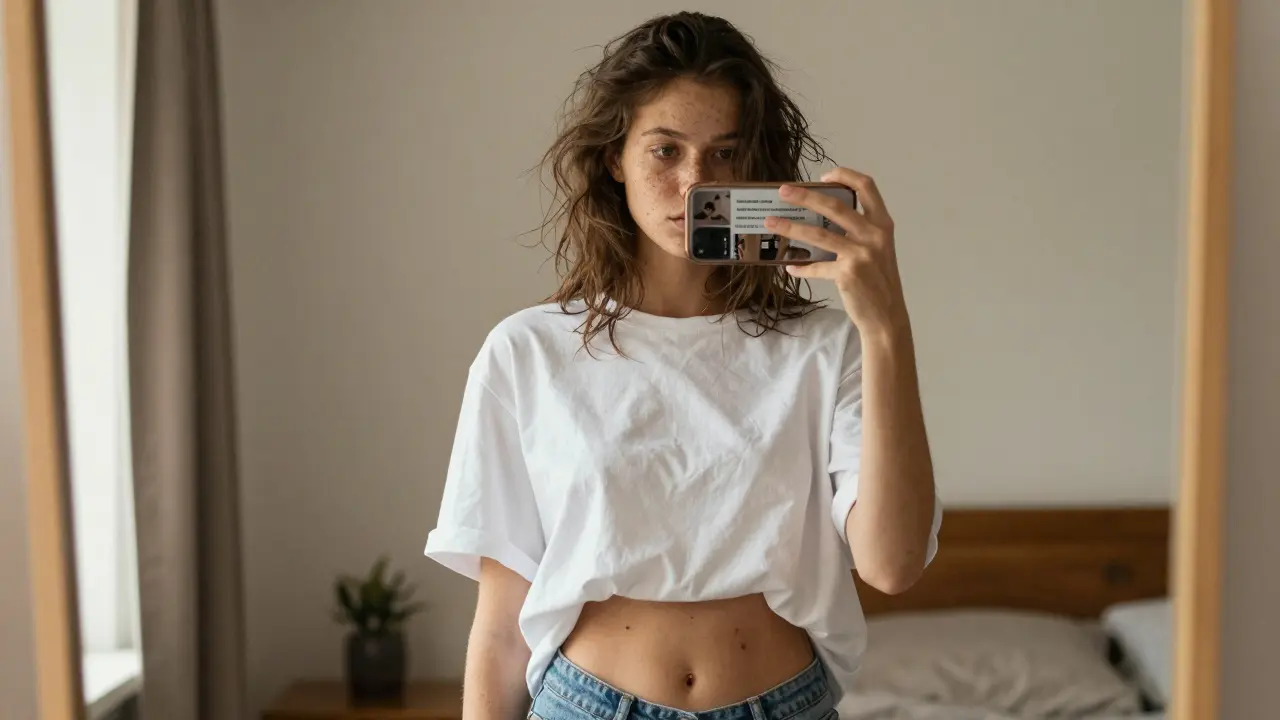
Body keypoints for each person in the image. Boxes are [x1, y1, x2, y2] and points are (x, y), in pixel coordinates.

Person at [424, 12, 941, 720]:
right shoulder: (528, 353)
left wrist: (885, 326)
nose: (696, 183)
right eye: (665, 151)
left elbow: (892, 564)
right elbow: (499, 628)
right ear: (616, 157)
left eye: (725, 155)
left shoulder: (825, 347)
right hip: (586, 705)